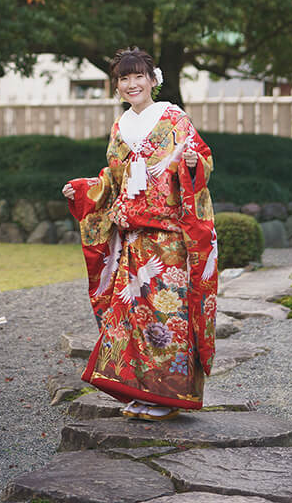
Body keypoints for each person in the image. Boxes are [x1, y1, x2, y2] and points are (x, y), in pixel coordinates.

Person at [62, 46, 217, 420]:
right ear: (117, 86)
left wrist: (193, 165)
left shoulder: (174, 119)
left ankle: (168, 394)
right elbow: (112, 178)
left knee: (167, 317)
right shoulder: (120, 127)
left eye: (138, 76)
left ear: (153, 80)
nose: (132, 84)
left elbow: (203, 165)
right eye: (124, 78)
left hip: (167, 241)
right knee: (132, 319)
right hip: (132, 240)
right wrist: (83, 191)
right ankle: (142, 390)